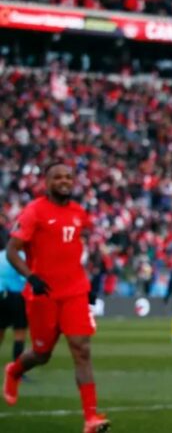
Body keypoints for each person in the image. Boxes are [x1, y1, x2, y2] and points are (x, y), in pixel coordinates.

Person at [3, 162, 110, 432]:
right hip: (43, 295)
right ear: (47, 182)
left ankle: (90, 418)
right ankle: (15, 371)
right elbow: (12, 250)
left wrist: (88, 283)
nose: (64, 181)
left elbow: (75, 248)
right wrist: (32, 277)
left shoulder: (79, 213)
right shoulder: (34, 212)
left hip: (74, 292)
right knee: (41, 354)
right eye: (58, 177)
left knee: (81, 349)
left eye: (68, 177)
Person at [0, 250, 27, 364]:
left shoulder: (1, 255)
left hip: (1, 294)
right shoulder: (23, 256)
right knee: (19, 332)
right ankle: (17, 368)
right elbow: (24, 278)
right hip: (17, 296)